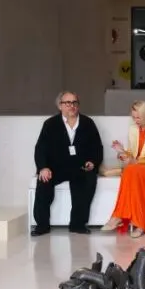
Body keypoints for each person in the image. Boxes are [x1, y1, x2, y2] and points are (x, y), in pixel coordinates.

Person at [32, 91, 103, 236]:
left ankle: (78, 224)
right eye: (67, 103)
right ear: (60, 106)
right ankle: (42, 225)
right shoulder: (50, 124)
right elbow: (40, 149)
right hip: (56, 167)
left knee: (87, 180)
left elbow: (97, 147)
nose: (72, 106)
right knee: (43, 182)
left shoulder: (88, 123)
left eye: (74, 102)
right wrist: (43, 168)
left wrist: (92, 162)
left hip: (80, 166)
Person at [100, 100, 145, 238]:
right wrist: (122, 152)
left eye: (138, 117)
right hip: (137, 169)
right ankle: (138, 224)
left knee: (131, 170)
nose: (136, 120)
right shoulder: (133, 129)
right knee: (131, 171)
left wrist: (135, 161)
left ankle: (119, 216)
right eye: (133, 117)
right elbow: (133, 154)